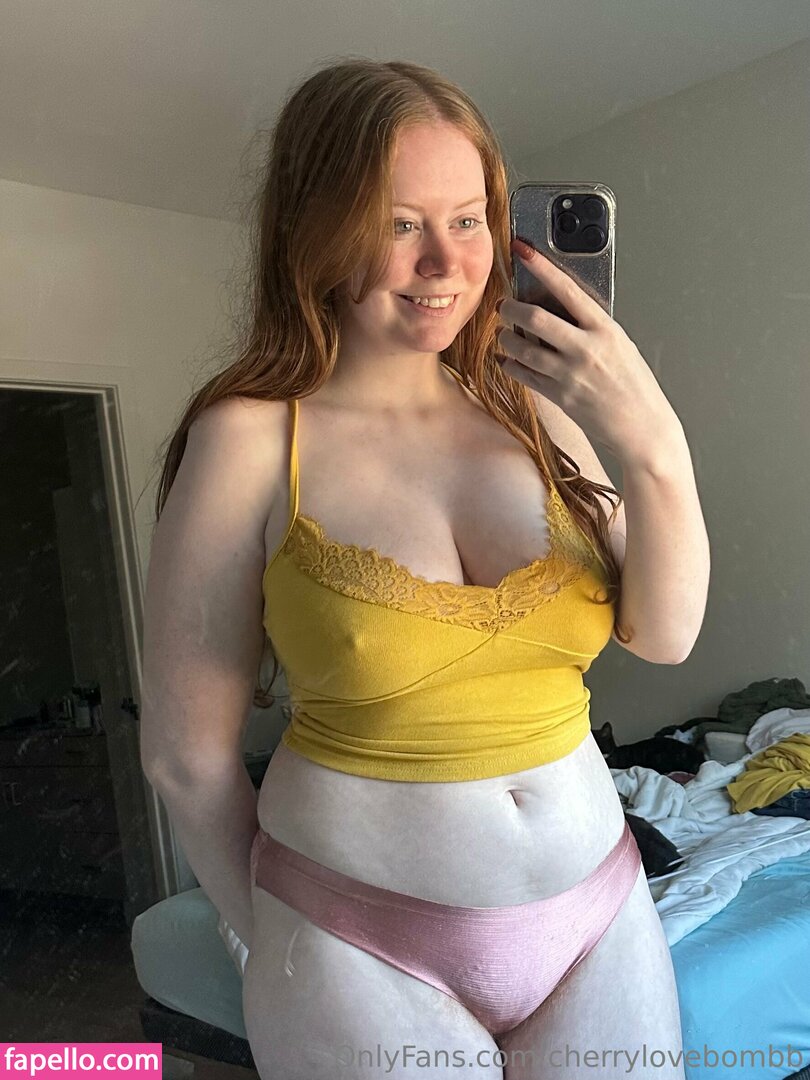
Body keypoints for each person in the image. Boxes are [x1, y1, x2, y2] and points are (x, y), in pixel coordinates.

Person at [141, 58, 708, 1080]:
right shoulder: (251, 440)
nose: (445, 261)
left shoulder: (533, 412)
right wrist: (282, 941)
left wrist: (654, 441)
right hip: (356, 936)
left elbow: (664, 636)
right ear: (316, 231)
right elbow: (185, 758)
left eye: (469, 219)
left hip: (599, 911)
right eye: (399, 223)